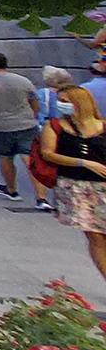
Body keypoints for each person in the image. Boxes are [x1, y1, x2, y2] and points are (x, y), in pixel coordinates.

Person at [40, 86, 106, 284]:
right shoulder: (55, 126)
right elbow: (47, 153)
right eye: (60, 100)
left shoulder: (102, 126)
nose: (61, 104)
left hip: (102, 186)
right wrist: (84, 162)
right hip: (76, 187)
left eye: (66, 100)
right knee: (95, 236)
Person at [0, 51, 50, 208]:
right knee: (30, 160)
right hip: (26, 124)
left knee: (5, 157)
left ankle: (12, 190)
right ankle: (41, 198)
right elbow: (34, 101)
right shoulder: (23, 80)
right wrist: (32, 115)